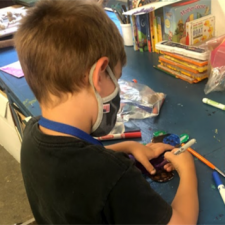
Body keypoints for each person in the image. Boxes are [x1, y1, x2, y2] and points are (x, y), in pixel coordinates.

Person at [14, 0, 199, 224]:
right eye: (117, 78)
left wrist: (129, 146)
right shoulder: (111, 176)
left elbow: (76, 159)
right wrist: (187, 169)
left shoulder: (32, 134)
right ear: (99, 75)